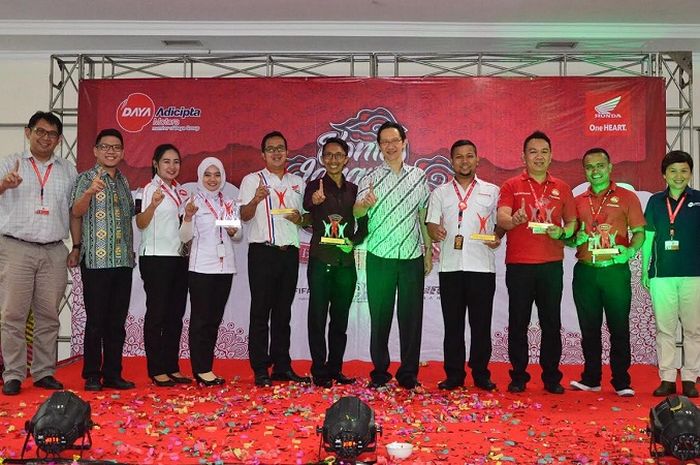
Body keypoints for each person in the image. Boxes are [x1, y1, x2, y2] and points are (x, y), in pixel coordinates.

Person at [0, 111, 79, 396]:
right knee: (13, 315)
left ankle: (44, 372)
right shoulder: (10, 163)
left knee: (48, 315)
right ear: (28, 132)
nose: (46, 138)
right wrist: (4, 185)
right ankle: (13, 374)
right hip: (16, 248)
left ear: (59, 139)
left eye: (52, 134)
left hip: (54, 250)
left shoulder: (68, 170)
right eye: (40, 132)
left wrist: (77, 246)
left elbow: (74, 212)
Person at [496, 130, 576, 394]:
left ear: (551, 156)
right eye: (533, 152)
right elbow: (502, 217)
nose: (538, 157)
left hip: (551, 265)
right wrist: (513, 220)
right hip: (519, 266)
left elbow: (572, 223)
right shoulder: (511, 185)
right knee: (518, 323)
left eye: (544, 152)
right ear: (524, 156)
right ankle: (518, 376)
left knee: (551, 323)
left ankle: (551, 377)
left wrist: (562, 232)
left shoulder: (562, 187)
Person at [353, 121, 432, 390]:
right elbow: (356, 213)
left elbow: (423, 216)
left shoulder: (418, 177)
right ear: (378, 146)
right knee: (380, 317)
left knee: (411, 319)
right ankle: (379, 373)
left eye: (394, 141)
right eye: (385, 142)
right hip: (379, 256)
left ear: (404, 142)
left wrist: (428, 251)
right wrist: (363, 205)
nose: (390, 146)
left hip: (411, 257)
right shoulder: (369, 178)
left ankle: (408, 374)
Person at [426, 139, 502, 391]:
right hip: (450, 268)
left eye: (469, 156)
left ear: (477, 159)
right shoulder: (440, 193)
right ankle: (454, 375)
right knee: (453, 326)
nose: (464, 161)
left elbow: (500, 224)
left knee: (481, 326)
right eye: (459, 157)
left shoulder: (492, 191)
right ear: (452, 161)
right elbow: (431, 224)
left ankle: (481, 374)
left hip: (482, 269)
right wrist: (434, 231)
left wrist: (498, 236)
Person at [567, 148, 644, 397]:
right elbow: (568, 238)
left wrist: (630, 251)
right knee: (589, 328)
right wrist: (574, 238)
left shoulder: (627, 197)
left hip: (614, 271)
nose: (595, 171)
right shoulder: (577, 200)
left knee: (618, 327)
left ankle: (621, 381)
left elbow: (639, 233)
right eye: (590, 167)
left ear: (610, 167)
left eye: (600, 165)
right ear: (584, 170)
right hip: (586, 272)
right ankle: (591, 378)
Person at [239, 131, 309, 387]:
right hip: (263, 252)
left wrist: (299, 219)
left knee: (283, 313)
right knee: (260, 312)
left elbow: (306, 219)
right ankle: (260, 368)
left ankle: (282, 366)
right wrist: (256, 200)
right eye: (271, 149)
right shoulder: (252, 180)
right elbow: (244, 216)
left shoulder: (297, 182)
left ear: (287, 152)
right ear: (263, 154)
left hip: (288, 253)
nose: (276, 153)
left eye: (280, 148)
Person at [71, 128, 136, 391]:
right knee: (96, 321)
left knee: (116, 323)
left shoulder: (124, 181)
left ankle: (112, 374)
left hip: (123, 261)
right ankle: (92, 375)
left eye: (116, 147)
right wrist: (89, 192)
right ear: (95, 151)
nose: (111, 151)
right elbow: (76, 212)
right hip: (96, 262)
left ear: (122, 152)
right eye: (105, 147)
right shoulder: (85, 178)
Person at [303, 137, 367, 388]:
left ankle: (335, 369)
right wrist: (315, 201)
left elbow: (363, 224)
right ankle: (319, 371)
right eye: (328, 155)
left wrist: (353, 241)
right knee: (317, 319)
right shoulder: (314, 186)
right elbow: (306, 206)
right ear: (322, 159)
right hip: (320, 262)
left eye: (338, 155)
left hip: (345, 265)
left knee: (340, 320)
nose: (333, 159)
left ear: (346, 159)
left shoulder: (354, 190)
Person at [642, 150, 700, 398]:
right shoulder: (655, 201)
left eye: (684, 170)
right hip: (662, 275)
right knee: (665, 329)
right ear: (664, 174)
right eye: (673, 171)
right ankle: (666, 378)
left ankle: (689, 378)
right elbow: (648, 237)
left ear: (691, 173)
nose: (679, 175)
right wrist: (646, 270)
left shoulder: (698, 199)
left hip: (694, 275)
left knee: (693, 330)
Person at [179, 157, 242, 386]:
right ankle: (201, 369)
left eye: (217, 174)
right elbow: (184, 236)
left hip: (225, 267)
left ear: (222, 177)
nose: (212, 179)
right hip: (201, 267)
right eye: (207, 174)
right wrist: (188, 217)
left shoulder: (229, 202)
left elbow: (238, 235)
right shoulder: (192, 201)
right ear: (200, 176)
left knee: (214, 319)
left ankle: (207, 367)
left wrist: (234, 230)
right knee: (200, 320)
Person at [136, 144, 192, 387]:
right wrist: (153, 205)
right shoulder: (147, 190)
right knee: (157, 314)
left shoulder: (181, 192)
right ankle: (156, 369)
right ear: (155, 164)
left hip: (179, 258)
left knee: (175, 315)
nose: (172, 166)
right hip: (156, 258)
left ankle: (172, 366)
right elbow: (140, 222)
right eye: (166, 161)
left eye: (176, 161)